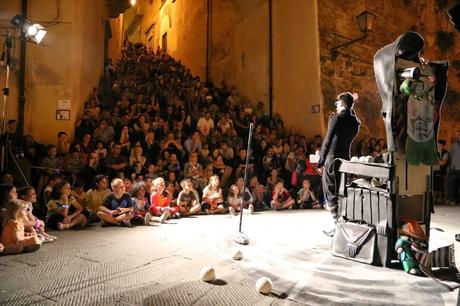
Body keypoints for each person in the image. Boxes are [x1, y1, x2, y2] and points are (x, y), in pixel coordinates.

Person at [318, 92, 360, 236]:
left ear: (341, 104)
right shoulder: (355, 123)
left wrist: (320, 160)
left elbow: (328, 140)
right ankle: (340, 224)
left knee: (331, 191)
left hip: (332, 158)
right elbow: (351, 115)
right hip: (345, 160)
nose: (335, 106)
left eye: (337, 103)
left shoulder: (335, 119)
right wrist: (351, 106)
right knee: (342, 192)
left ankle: (337, 226)